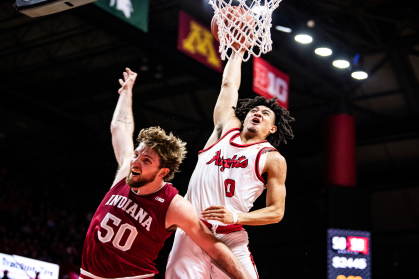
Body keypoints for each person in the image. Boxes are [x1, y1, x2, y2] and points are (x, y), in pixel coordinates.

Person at [80, 68, 252, 279]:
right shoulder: (125, 173)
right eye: (136, 154)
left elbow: (214, 246)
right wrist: (126, 94)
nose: (135, 162)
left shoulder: (174, 205)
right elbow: (119, 129)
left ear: (163, 171)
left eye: (146, 160)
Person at [166, 51, 295, 278]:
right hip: (192, 232)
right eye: (254, 110)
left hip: (230, 235)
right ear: (244, 117)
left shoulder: (271, 158)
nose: (258, 113)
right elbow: (228, 86)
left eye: (266, 114)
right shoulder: (224, 131)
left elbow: (276, 212)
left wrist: (236, 217)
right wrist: (236, 51)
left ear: (272, 129)